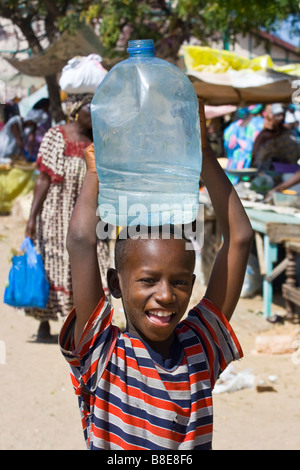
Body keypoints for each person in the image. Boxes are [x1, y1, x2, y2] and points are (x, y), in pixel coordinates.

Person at [59, 101, 253, 450]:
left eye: (179, 282)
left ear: (193, 285)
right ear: (116, 284)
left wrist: (204, 153)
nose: (165, 295)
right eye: (148, 280)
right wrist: (94, 176)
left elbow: (238, 239)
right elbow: (81, 242)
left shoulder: (200, 348)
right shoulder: (103, 354)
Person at [25, 95, 110, 341]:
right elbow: (43, 179)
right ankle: (45, 323)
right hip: (56, 216)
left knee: (96, 263)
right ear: (75, 111)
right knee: (54, 266)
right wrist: (32, 218)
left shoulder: (100, 143)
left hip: (90, 216)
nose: (95, 116)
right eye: (89, 110)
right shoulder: (56, 136)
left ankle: (85, 324)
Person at [252, 103, 300, 171]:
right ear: (271, 116)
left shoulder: (286, 132)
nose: (281, 118)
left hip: (290, 167)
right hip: (270, 168)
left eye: (282, 115)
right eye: (277, 115)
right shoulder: (265, 134)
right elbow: (256, 154)